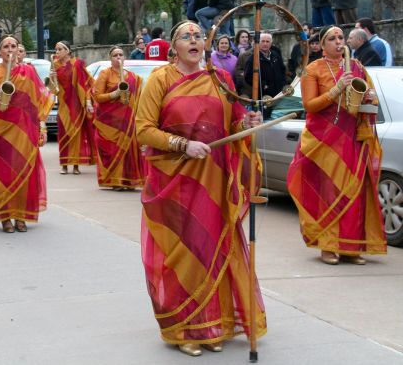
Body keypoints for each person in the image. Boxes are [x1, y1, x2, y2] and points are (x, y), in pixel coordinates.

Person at [135, 21, 266, 356]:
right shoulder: (160, 80)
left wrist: (246, 123)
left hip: (215, 180)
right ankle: (183, 329)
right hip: (175, 182)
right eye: (185, 37)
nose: (194, 40)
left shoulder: (220, 79)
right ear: (173, 48)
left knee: (212, 249)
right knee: (184, 253)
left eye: (198, 36)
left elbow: (233, 121)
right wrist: (182, 144)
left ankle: (212, 325)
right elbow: (144, 130)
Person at [287, 25, 386, 266]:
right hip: (323, 141)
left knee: (353, 193)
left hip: (352, 138)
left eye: (341, 37)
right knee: (329, 193)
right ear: (321, 45)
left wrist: (369, 96)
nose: (339, 42)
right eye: (332, 38)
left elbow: (367, 98)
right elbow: (310, 106)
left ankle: (352, 247)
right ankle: (328, 246)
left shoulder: (357, 67)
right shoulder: (313, 70)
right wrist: (337, 88)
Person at [0, 36, 50, 233]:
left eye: (13, 46)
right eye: (5, 46)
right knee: (2, 174)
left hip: (24, 132)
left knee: (23, 173)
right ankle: (4, 216)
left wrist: (41, 127)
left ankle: (21, 215)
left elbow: (39, 101)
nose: (10, 49)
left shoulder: (29, 72)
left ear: (19, 50)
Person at [92, 47, 143, 190]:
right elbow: (97, 97)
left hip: (127, 121)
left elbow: (138, 98)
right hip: (109, 122)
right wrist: (115, 94)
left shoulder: (134, 77)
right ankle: (116, 181)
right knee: (111, 150)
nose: (118, 57)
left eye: (121, 54)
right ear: (110, 58)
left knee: (128, 151)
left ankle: (129, 181)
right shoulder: (105, 74)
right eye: (115, 55)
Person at [51, 41, 95, 175]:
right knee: (64, 133)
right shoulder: (55, 65)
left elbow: (87, 84)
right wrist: (52, 79)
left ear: (68, 51)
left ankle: (76, 165)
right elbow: (53, 90)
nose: (57, 52)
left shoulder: (77, 64)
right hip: (63, 104)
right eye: (56, 49)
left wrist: (87, 101)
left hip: (76, 103)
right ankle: (64, 165)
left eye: (60, 49)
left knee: (76, 135)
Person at [244, 32, 287, 111]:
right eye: (263, 41)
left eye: (267, 41)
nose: (265, 44)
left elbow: (283, 70)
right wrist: (263, 85)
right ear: (258, 43)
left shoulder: (275, 55)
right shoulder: (253, 59)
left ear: (271, 43)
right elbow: (248, 77)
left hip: (278, 94)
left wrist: (283, 84)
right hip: (263, 96)